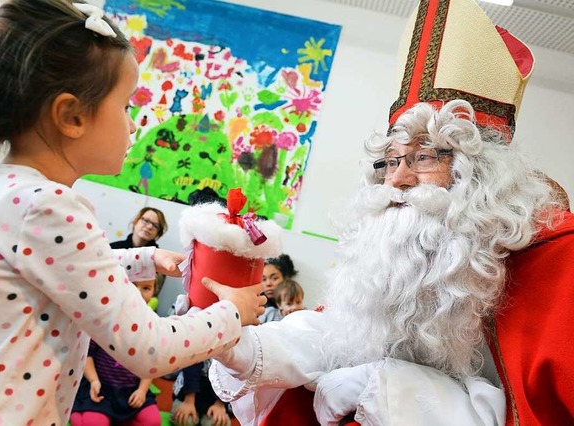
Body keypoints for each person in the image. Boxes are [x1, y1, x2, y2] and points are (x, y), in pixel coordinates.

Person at [208, 0, 574, 425]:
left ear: (481, 173)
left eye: (422, 156)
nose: (397, 179)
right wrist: (248, 347)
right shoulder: (402, 249)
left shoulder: (558, 262)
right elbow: (340, 332)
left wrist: (392, 391)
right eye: (389, 160)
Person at [0, 2, 265, 425]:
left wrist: (147, 259)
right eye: (126, 106)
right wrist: (232, 311)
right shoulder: (47, 208)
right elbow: (151, 348)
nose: (133, 124)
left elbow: (57, 267)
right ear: (71, 115)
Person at [70, 281, 162, 426]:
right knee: (93, 422)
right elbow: (87, 354)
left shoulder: (151, 325)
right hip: (101, 388)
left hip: (131, 390)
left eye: (146, 288)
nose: (137, 293)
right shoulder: (104, 321)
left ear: (154, 293)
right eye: (131, 285)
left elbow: (151, 361)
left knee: (152, 421)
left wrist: (142, 390)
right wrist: (94, 380)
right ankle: (80, 412)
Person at [171, 359, 232, 426]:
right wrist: (188, 401)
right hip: (187, 393)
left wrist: (220, 405)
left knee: (217, 422)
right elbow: (191, 367)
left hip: (215, 397)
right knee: (185, 420)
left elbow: (231, 376)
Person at [258, 254, 297, 323]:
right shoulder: (256, 308)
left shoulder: (296, 307)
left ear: (285, 278)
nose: (268, 283)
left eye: (274, 278)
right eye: (263, 279)